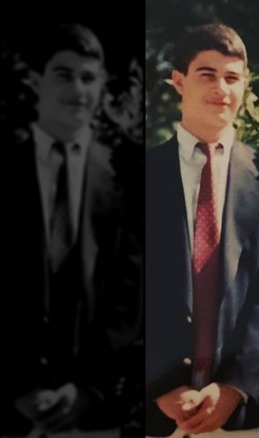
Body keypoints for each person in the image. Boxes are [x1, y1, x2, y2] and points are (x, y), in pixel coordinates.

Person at [145, 23, 259, 437]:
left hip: (236, 410)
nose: (221, 89)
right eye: (207, 75)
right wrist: (158, 386)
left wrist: (233, 387)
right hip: (154, 410)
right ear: (179, 81)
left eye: (232, 78)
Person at [2, 23, 143, 436]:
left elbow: (129, 297)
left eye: (88, 78)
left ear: (100, 86)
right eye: (63, 75)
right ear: (36, 81)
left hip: (92, 414)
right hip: (10, 412)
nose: (77, 90)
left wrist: (87, 392)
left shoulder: (124, 177)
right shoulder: (6, 169)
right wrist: (17, 389)